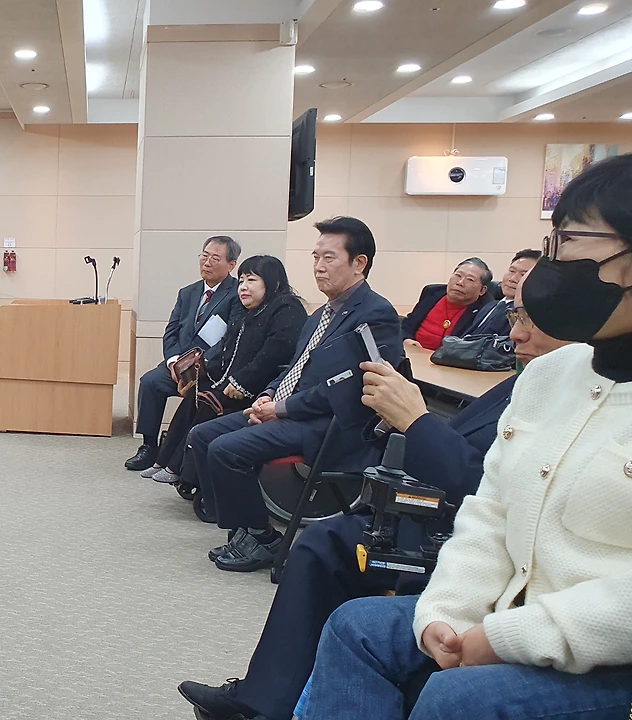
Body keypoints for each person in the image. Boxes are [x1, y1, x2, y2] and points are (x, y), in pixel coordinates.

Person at [297, 153, 632, 720]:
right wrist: (448, 611)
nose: (552, 265)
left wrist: (504, 638)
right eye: (551, 243)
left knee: (459, 699)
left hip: (607, 652)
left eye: (570, 241)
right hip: (509, 609)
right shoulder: (551, 374)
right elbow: (491, 513)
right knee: (357, 627)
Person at [176, 287, 570, 720]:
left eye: (529, 321)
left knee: (333, 567)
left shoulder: (375, 314)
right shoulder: (530, 379)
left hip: (465, 534)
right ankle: (265, 698)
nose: (515, 335)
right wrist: (275, 398)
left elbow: (489, 489)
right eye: (515, 318)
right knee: (319, 541)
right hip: (430, 506)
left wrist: (415, 422)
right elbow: (291, 367)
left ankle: (258, 548)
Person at [187, 216, 402, 573]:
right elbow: (295, 367)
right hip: (294, 411)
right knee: (202, 435)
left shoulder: (376, 314)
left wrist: (281, 409)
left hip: (330, 424)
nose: (318, 266)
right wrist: (269, 394)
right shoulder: (320, 314)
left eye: (329, 257)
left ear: (359, 263)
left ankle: (262, 538)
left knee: (227, 449)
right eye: (315, 257)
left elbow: (346, 390)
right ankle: (245, 530)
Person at [139, 256, 306, 485]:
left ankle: (178, 468)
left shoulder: (287, 308)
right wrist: (198, 375)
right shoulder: (250, 312)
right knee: (196, 393)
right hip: (233, 382)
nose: (243, 286)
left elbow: (272, 356)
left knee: (208, 401)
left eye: (251, 280)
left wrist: (240, 383)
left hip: (263, 389)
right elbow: (227, 351)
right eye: (241, 280)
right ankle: (163, 460)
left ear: (273, 283)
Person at [126, 237, 241, 471]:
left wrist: (200, 365)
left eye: (215, 258)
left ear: (231, 264)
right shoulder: (188, 292)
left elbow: (230, 339)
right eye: (204, 256)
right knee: (150, 382)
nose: (207, 262)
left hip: (211, 370)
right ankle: (149, 446)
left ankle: (178, 452)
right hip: (178, 366)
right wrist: (173, 362)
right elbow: (171, 331)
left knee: (197, 397)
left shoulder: (236, 294)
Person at [401, 258, 494, 351]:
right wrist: (406, 339)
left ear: (482, 290)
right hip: (414, 353)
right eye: (458, 275)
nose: (460, 283)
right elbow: (408, 323)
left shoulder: (486, 310)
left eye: (470, 279)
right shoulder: (432, 292)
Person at [466, 248, 540, 337]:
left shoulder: (526, 315)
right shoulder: (489, 305)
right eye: (511, 271)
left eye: (523, 274)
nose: (512, 279)